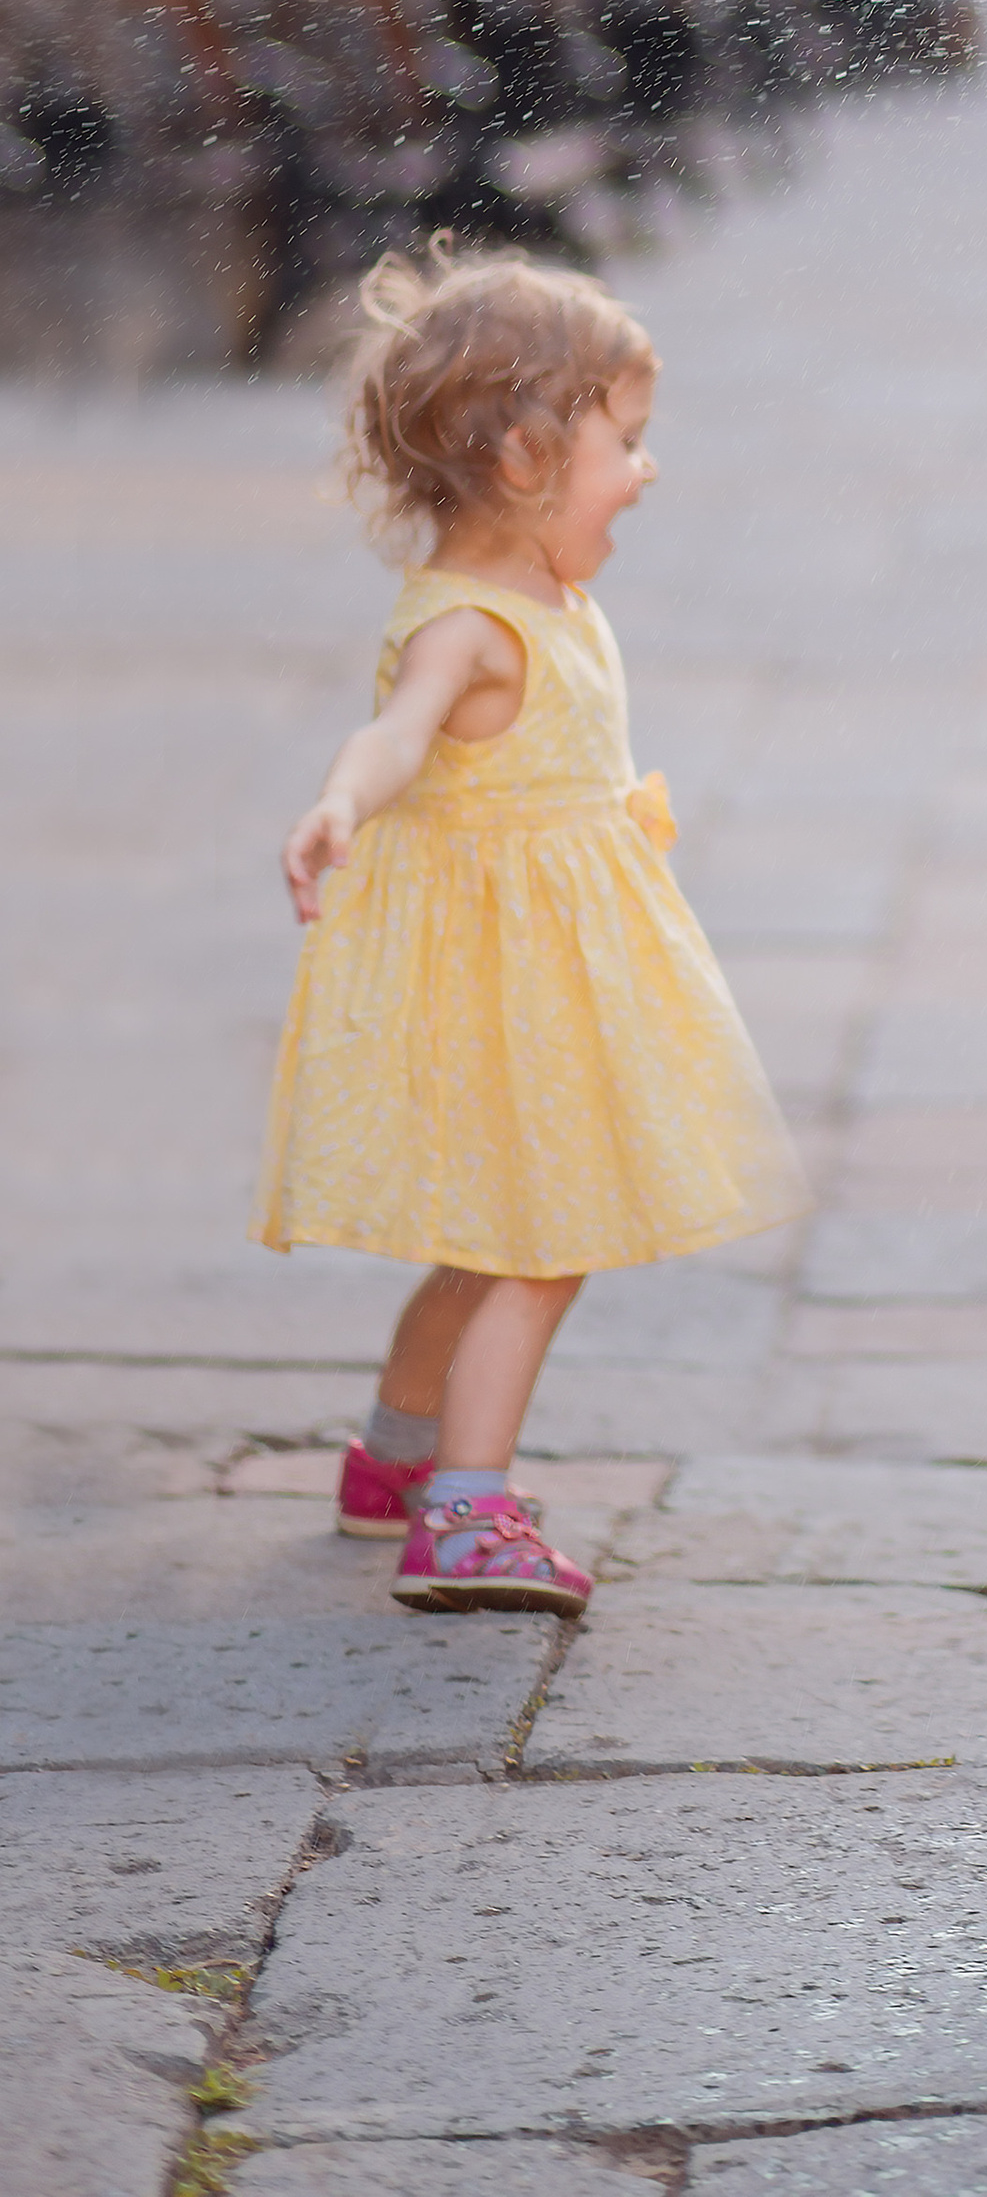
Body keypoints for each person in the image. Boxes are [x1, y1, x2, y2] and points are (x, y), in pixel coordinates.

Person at [258, 244, 804, 1607]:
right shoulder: (470, 626)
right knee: (539, 1239)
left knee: (484, 1230)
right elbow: (392, 735)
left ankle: (393, 1460)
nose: (646, 468)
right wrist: (338, 800)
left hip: (543, 959)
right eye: (626, 438)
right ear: (521, 454)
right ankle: (466, 1512)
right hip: (512, 981)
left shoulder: (549, 594)